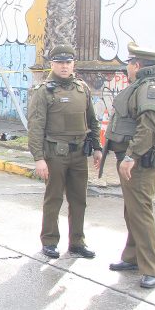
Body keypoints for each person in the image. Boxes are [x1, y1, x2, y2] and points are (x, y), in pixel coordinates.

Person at [104, 42, 155, 289]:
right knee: (132, 209)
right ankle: (133, 257)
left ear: (136, 65)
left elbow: (149, 126)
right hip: (137, 160)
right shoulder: (144, 85)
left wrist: (130, 157)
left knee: (141, 211)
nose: (127, 69)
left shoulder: (151, 88)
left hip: (142, 161)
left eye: (129, 64)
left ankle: (150, 268)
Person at [27, 45, 102, 260]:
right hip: (55, 155)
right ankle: (49, 241)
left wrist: (97, 147)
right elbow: (36, 126)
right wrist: (39, 158)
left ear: (73, 64)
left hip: (79, 154)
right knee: (54, 199)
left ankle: (77, 242)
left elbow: (93, 121)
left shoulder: (82, 88)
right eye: (60, 62)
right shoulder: (44, 91)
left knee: (79, 200)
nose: (64, 66)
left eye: (68, 62)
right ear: (52, 64)